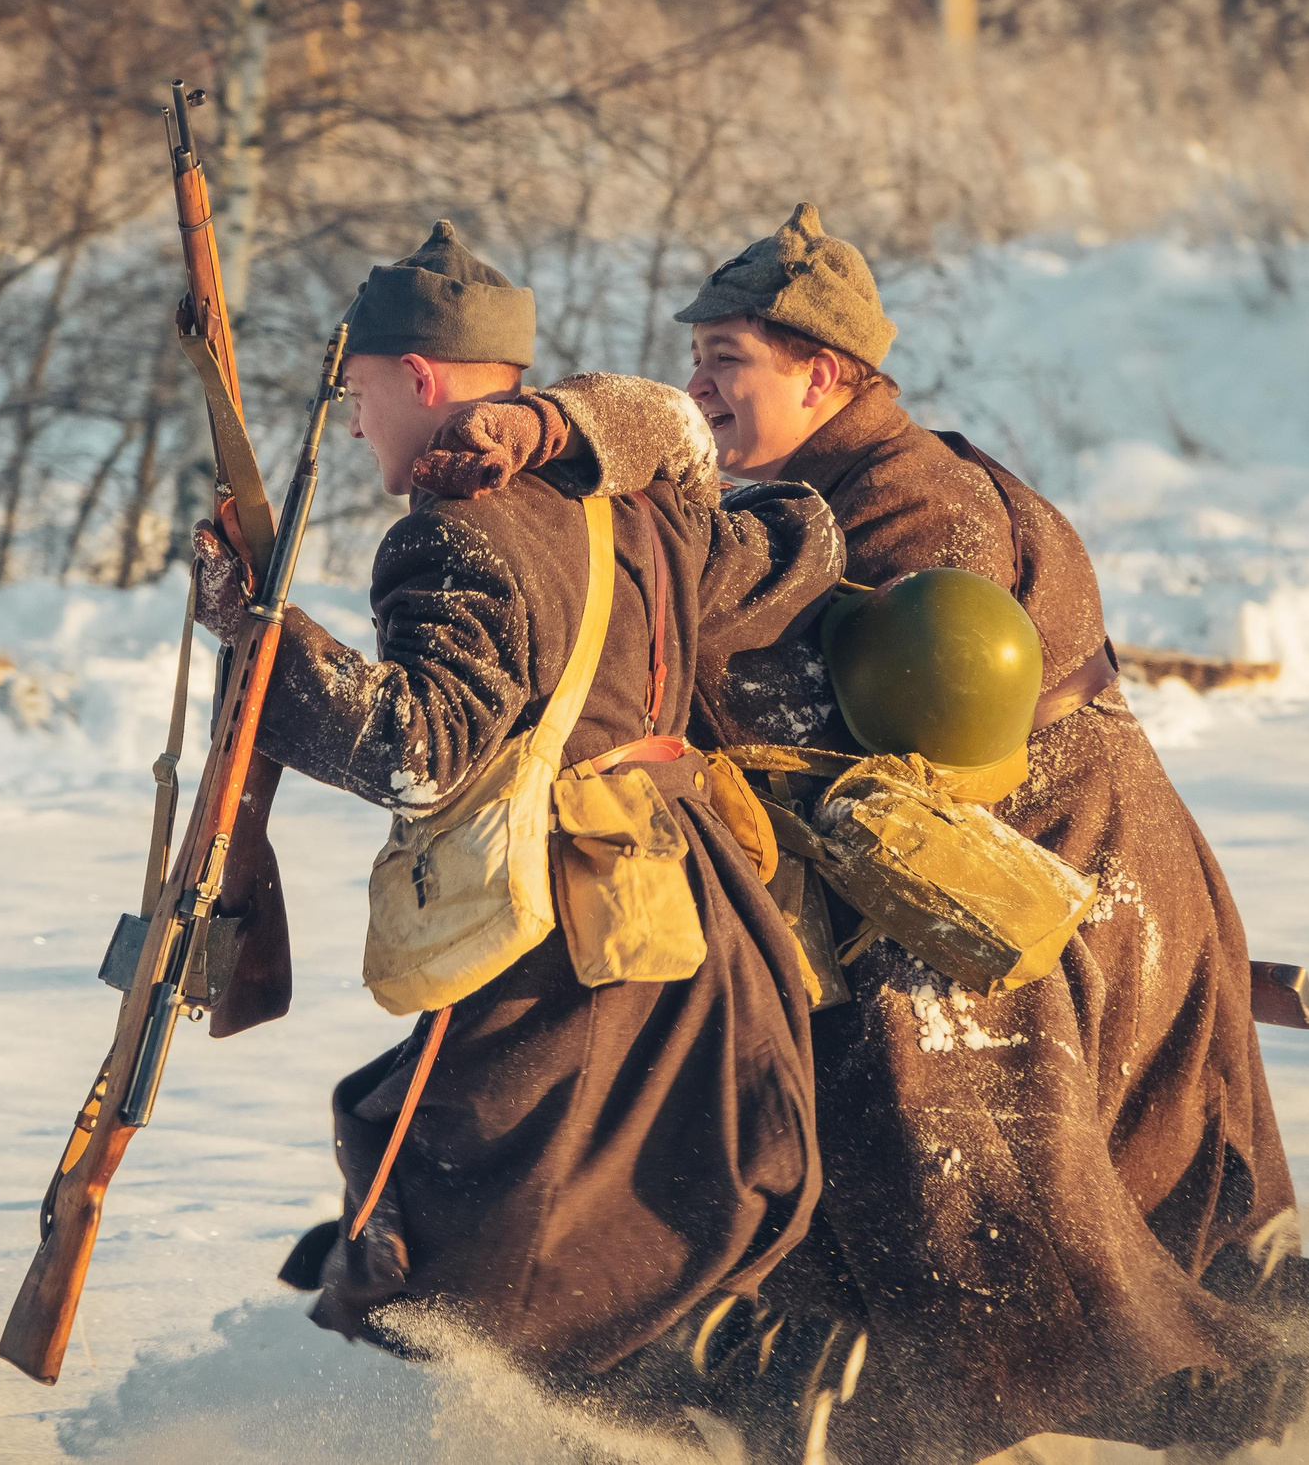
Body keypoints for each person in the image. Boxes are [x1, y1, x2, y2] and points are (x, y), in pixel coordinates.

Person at [415, 204, 1309, 1463]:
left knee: (925, 1148)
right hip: (1053, 875)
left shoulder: (920, 514)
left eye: (728, 361)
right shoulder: (847, 476)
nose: (701, 384)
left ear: (825, 373)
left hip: (1037, 896)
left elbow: (867, 743)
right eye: (698, 356)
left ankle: (1001, 1383)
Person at [190, 220, 858, 1454]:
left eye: (361, 391)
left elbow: (419, 747)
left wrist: (261, 637)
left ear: (423, 379)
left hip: (566, 941)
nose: (350, 423)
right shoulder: (632, 502)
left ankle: (697, 1385)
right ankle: (715, 1377)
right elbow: (804, 539)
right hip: (697, 919)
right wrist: (604, 431)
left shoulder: (452, 530)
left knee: (462, 1233)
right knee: (582, 1214)